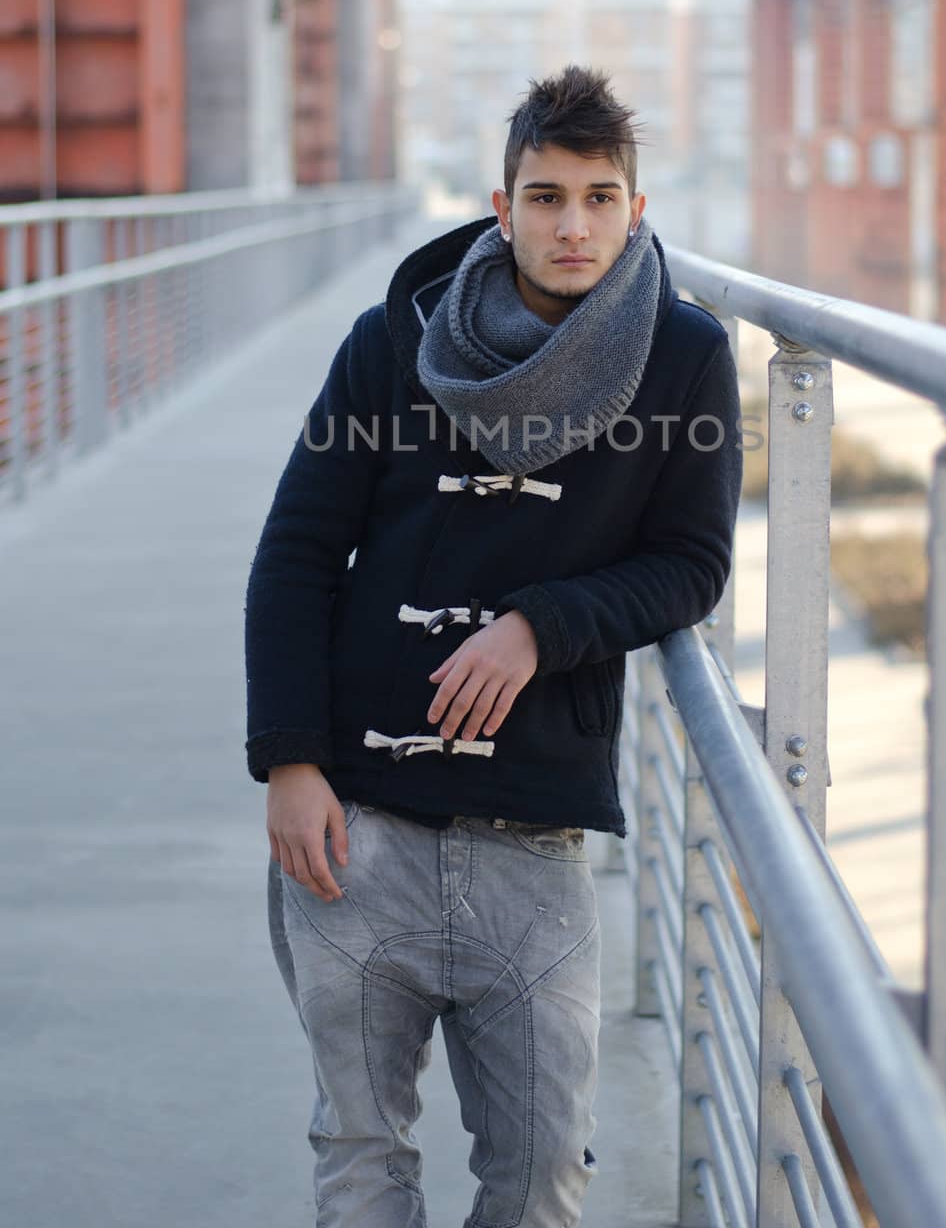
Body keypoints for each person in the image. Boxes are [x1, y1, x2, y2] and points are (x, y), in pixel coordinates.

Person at [244, 63, 743, 1227]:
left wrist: (541, 624)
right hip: (355, 824)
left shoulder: (683, 358)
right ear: (499, 203)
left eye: (601, 197)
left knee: (540, 1181)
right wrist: (289, 758)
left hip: (534, 828)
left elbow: (691, 563)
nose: (574, 225)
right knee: (360, 1154)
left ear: (637, 206)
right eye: (547, 195)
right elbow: (297, 552)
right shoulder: (391, 342)